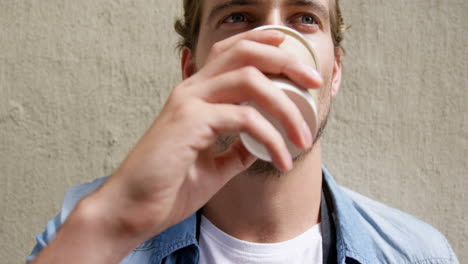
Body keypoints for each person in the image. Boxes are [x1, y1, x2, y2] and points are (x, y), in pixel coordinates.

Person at [27, 0, 459, 263]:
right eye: (238, 15)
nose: (272, 46)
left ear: (335, 72)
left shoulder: (418, 256)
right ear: (192, 70)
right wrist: (116, 223)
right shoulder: (89, 232)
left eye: (304, 18)